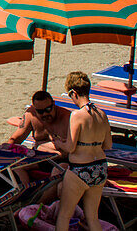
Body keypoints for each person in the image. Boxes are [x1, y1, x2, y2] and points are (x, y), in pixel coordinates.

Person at [49, 71, 112, 231]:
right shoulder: (102, 114)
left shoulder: (77, 115)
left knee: (64, 215)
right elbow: (108, 145)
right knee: (93, 217)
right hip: (100, 168)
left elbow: (70, 147)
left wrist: (58, 142)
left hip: (80, 169)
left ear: (73, 93)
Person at [7, 90, 72, 154]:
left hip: (62, 159)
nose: (45, 114)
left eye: (48, 109)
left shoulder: (67, 118)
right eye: (40, 111)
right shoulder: (31, 115)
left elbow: (73, 149)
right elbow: (17, 138)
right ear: (35, 109)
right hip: (39, 156)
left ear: (54, 104)